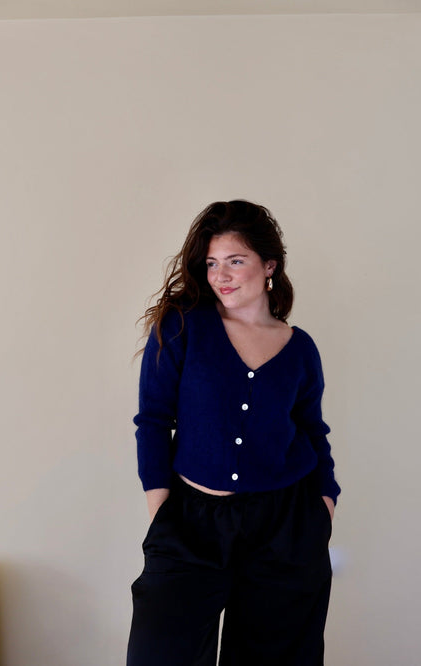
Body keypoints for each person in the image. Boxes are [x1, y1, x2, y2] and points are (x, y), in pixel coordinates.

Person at [127, 200, 340, 666]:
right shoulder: (182, 326)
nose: (220, 275)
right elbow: (154, 420)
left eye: (235, 261)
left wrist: (325, 503)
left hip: (285, 527)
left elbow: (312, 431)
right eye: (211, 263)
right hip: (190, 525)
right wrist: (162, 515)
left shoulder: (299, 348)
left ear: (269, 265)